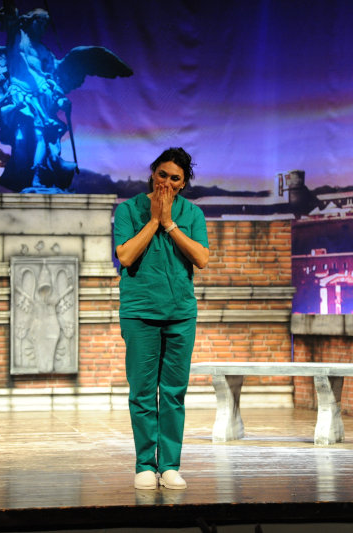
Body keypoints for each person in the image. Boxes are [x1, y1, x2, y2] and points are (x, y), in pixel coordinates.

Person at [113, 147, 210, 490]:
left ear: (183, 184)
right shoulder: (129, 210)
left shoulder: (192, 214)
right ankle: (144, 464)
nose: (167, 182)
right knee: (142, 391)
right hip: (140, 312)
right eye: (162, 174)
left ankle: (169, 465)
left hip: (180, 313)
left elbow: (201, 258)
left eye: (175, 178)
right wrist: (154, 220)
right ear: (153, 174)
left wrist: (169, 224)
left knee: (173, 392)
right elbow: (125, 256)